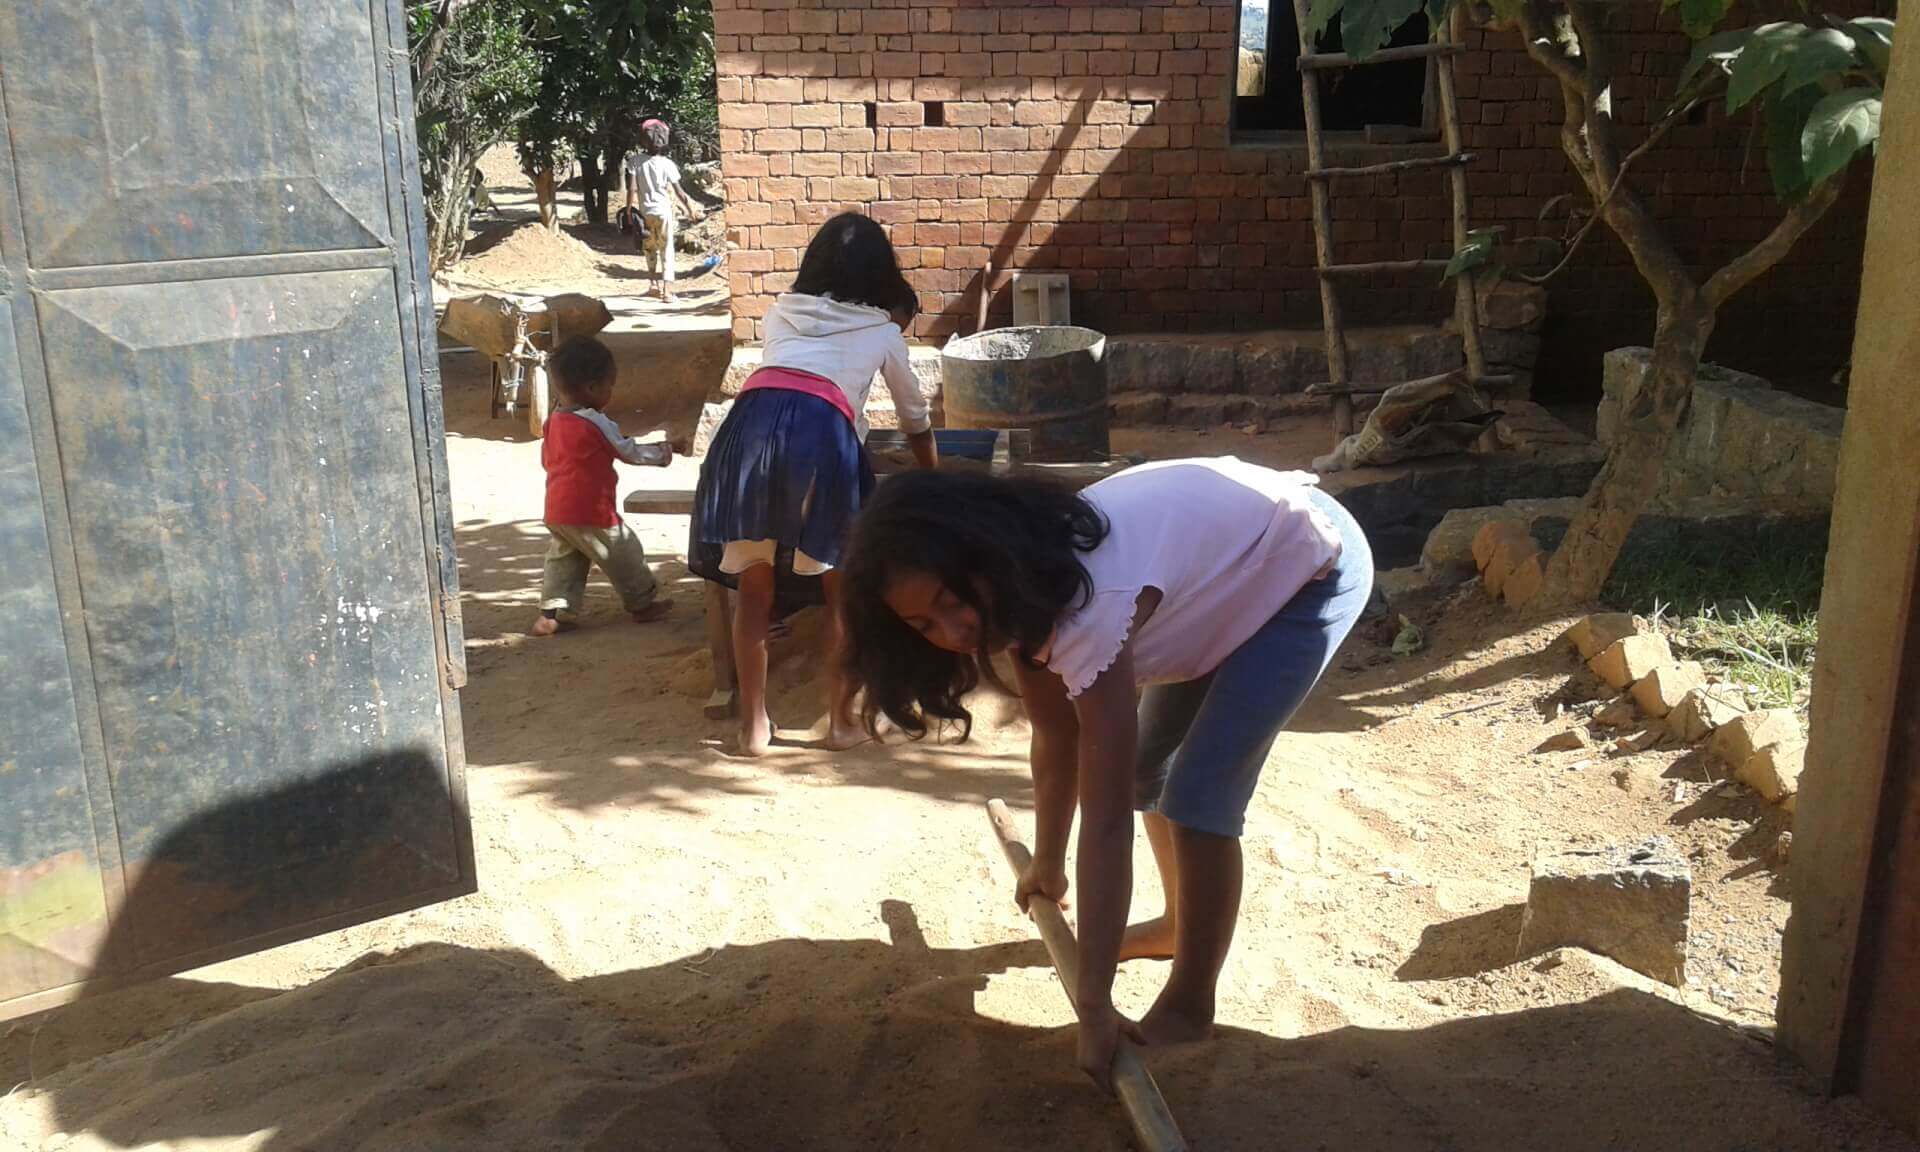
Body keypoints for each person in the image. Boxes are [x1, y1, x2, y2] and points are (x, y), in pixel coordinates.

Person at [837, 459, 1373, 1087]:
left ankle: (1190, 1003)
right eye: (922, 625)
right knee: (1149, 768)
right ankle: (1177, 924)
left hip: (1300, 567)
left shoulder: (1090, 604)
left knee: (1199, 796)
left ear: (987, 555)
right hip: (1216, 573)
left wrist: (1093, 1004)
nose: (952, 633)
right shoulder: (1017, 586)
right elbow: (1057, 736)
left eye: (952, 604)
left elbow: (1108, 818)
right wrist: (1047, 862)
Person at [689, 212, 937, 757]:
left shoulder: (780, 312)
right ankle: (841, 722)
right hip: (821, 441)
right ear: (880, 273)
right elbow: (914, 416)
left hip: (747, 433)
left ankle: (752, 726)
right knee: (839, 589)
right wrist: (932, 473)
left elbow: (791, 379)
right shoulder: (881, 331)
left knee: (754, 589)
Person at [532, 336, 675, 637]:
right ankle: (642, 603)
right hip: (592, 509)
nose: (612, 391)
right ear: (593, 388)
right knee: (623, 550)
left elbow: (547, 460)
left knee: (565, 558)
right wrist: (666, 451)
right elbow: (629, 452)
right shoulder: (595, 422)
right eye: (610, 385)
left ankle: (552, 613)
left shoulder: (553, 421)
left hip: (556, 507)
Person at [623, 118, 697, 302]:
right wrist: (690, 210)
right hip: (663, 212)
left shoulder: (635, 162)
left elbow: (632, 189)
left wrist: (628, 211)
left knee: (649, 248)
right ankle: (668, 292)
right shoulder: (668, 164)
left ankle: (653, 285)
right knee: (666, 249)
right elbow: (680, 193)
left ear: (643, 140)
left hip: (644, 212)